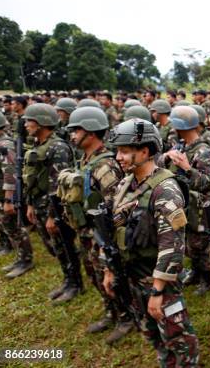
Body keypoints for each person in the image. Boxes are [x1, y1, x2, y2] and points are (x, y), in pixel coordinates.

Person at [105, 119, 199, 366]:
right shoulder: (127, 183)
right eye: (117, 151)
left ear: (144, 151)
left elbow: (173, 245)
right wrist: (108, 267)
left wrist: (158, 290)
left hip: (159, 278)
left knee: (176, 333)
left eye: (125, 151)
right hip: (133, 273)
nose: (118, 157)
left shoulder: (165, 189)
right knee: (151, 331)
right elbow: (114, 228)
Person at [60, 106, 133, 343]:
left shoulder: (106, 166)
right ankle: (111, 311)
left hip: (103, 235)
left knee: (111, 276)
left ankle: (126, 316)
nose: (72, 134)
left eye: (76, 130)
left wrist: (106, 243)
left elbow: (116, 207)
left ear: (90, 131)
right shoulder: (86, 160)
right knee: (95, 274)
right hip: (88, 231)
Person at [22, 103, 80, 302]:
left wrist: (53, 216)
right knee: (57, 247)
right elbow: (33, 177)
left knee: (66, 245)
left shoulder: (58, 148)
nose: (27, 124)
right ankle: (67, 279)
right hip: (38, 204)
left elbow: (59, 188)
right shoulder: (38, 144)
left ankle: (75, 283)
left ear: (42, 122)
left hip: (54, 209)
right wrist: (30, 204)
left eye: (30, 121)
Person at [158, 106, 210, 296]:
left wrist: (187, 168)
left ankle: (206, 279)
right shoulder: (180, 146)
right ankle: (196, 272)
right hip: (183, 203)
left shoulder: (203, 151)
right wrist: (167, 157)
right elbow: (158, 165)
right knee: (188, 243)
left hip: (198, 207)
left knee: (199, 244)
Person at [0, 110, 33, 277]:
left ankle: (25, 259)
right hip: (0, 191)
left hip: (6, 193)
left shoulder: (3, 145)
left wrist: (8, 199)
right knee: (7, 224)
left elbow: (10, 172)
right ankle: (19, 256)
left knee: (15, 227)